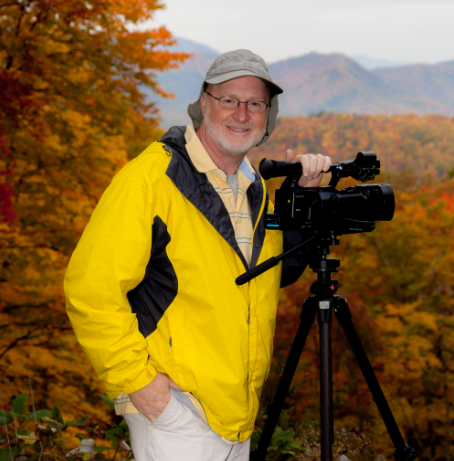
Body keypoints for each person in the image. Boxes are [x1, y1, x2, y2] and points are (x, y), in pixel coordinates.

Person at [64, 49, 331, 461]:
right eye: (228, 99)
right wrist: (141, 386)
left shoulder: (252, 185)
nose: (241, 113)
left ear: (268, 116)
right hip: (177, 409)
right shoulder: (151, 179)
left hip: (233, 412)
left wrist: (306, 198)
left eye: (255, 103)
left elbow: (266, 275)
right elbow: (90, 290)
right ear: (204, 103)